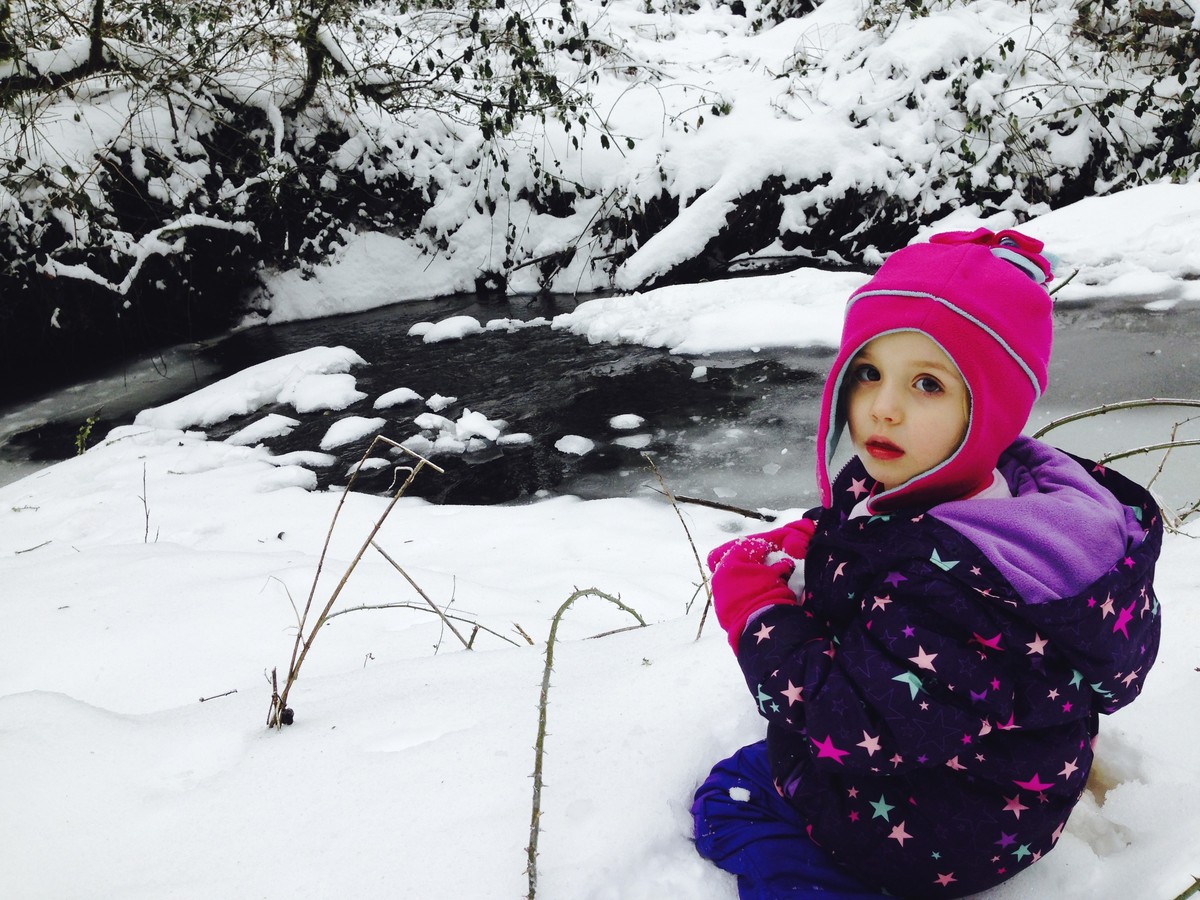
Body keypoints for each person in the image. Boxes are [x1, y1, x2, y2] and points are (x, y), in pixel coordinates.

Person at [692, 228, 1163, 899]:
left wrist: (756, 609)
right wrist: (818, 538)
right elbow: (879, 530)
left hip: (930, 833)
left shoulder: (945, 581)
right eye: (869, 372)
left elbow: (853, 723)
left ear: (990, 406)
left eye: (927, 384)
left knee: (731, 798)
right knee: (766, 763)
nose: (884, 406)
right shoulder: (1005, 497)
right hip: (1005, 790)